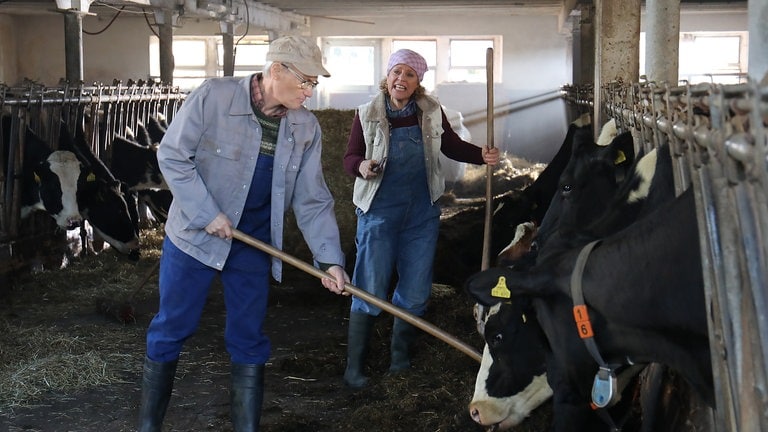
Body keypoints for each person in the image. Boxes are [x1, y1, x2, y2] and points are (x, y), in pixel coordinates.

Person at [138, 35, 350, 432]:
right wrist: (206, 213)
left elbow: (312, 199)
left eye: (314, 84)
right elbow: (172, 155)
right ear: (275, 71)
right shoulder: (214, 97)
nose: (310, 91)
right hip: (194, 238)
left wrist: (330, 260)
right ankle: (148, 426)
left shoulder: (306, 127)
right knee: (172, 328)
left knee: (249, 337)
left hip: (252, 242)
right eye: (304, 81)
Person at [341, 48, 500, 388]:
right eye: (397, 72)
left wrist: (480, 155)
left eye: (409, 74)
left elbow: (452, 146)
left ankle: (400, 363)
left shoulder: (430, 111)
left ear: (418, 82)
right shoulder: (367, 112)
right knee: (369, 286)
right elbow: (350, 156)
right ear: (387, 77)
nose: (401, 79)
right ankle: (355, 369)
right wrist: (361, 166)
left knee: (415, 290)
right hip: (379, 212)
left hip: (421, 213)